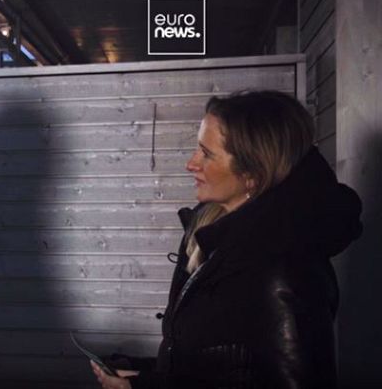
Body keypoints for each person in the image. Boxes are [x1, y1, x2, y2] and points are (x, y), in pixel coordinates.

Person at [90, 91, 362, 388]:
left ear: (251, 175)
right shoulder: (218, 239)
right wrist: (143, 375)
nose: (191, 164)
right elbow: (216, 370)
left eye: (207, 154)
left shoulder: (282, 272)